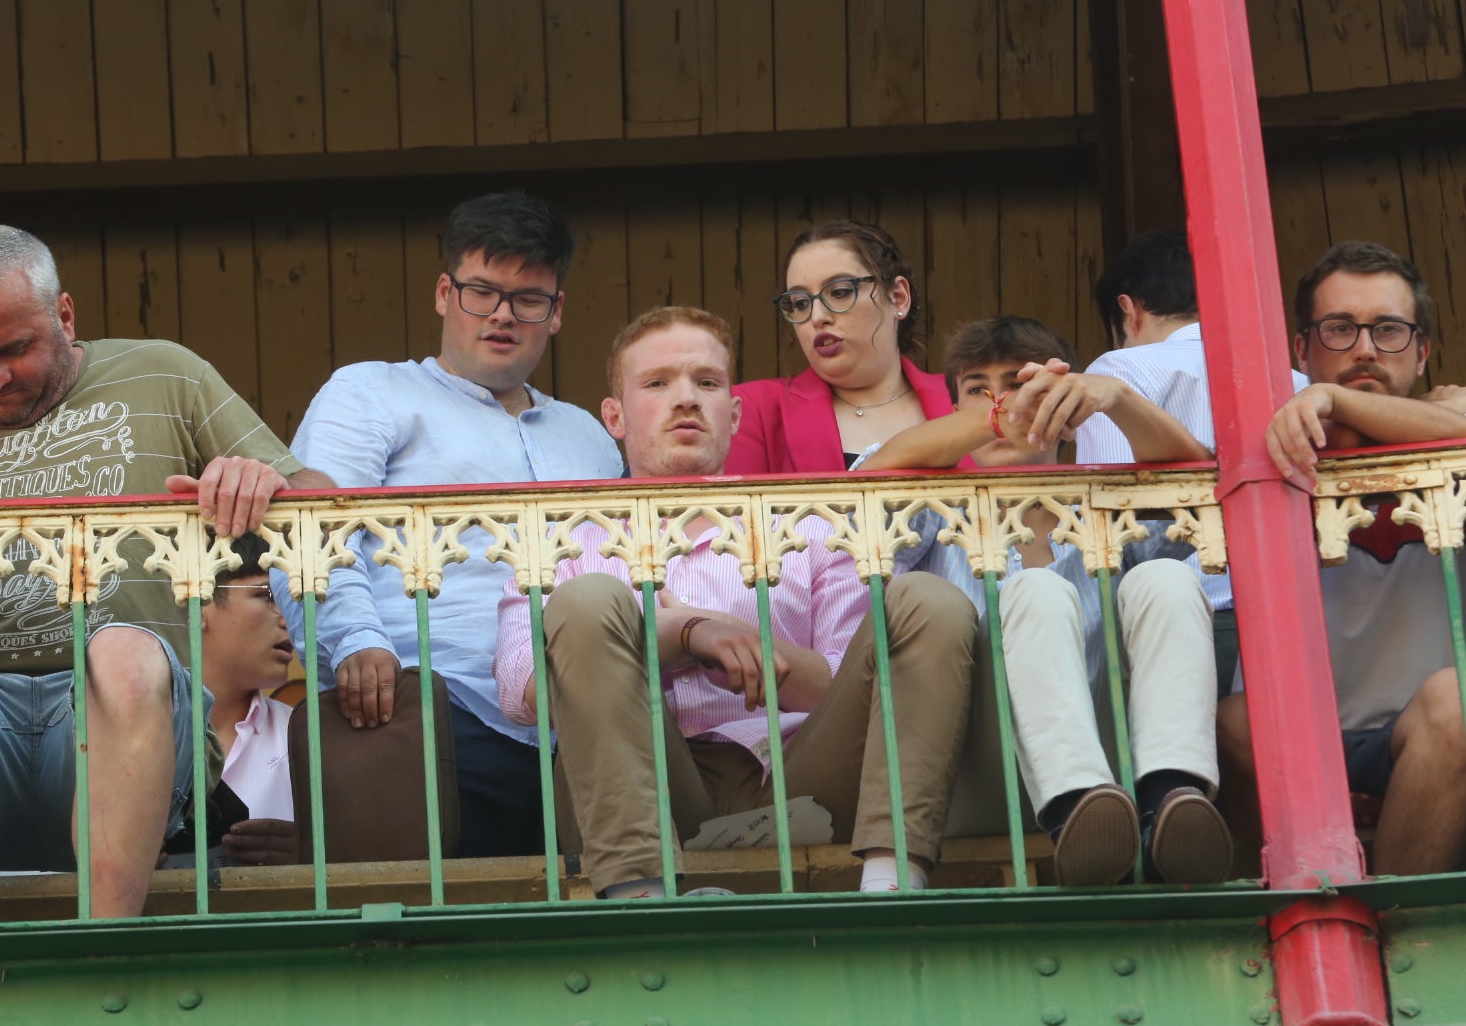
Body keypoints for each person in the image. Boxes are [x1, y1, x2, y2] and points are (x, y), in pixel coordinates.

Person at [0, 224, 330, 924]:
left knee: (121, 651)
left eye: (15, 348)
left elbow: (323, 503)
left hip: (135, 725)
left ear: (65, 316)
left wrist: (263, 480)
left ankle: (106, 947)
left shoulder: (168, 374)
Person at [495, 306, 980, 896]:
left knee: (928, 599)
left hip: (804, 779)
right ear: (614, 418)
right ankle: (640, 897)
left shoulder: (809, 526)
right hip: (651, 787)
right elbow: (522, 690)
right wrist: (679, 635)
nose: (685, 399)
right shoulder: (559, 537)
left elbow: (849, 683)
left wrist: (755, 655)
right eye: (657, 383)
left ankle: (891, 883)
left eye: (706, 382)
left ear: (735, 411)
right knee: (590, 598)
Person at [286, 192, 623, 858]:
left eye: (528, 298)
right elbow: (310, 531)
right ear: (445, 293)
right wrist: (354, 641)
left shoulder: (589, 437)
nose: (502, 315)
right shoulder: (370, 394)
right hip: (428, 713)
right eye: (481, 291)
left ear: (556, 314)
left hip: (583, 733)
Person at [861, 316, 1231, 885]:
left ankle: (1169, 802)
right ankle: (1073, 811)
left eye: (1021, 384)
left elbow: (1197, 484)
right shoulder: (935, 510)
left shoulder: (1105, 507)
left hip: (1117, 767)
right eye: (978, 391)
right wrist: (991, 420)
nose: (1007, 405)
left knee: (1166, 580)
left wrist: (1118, 396)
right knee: (1033, 589)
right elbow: (874, 471)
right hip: (980, 759)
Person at [1221, 241, 1466, 876]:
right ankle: (1297, 921)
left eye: (1388, 330)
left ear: (1422, 351)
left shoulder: (1453, 431)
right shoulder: (1258, 441)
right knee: (1234, 718)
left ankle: (1394, 936)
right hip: (1296, 743)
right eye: (1340, 328)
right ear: (1301, 349)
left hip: (1427, 735)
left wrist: (1335, 400)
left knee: (1457, 704)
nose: (1364, 349)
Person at [1070, 231, 1307, 686]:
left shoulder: (1118, 373)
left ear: (1128, 310)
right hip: (1284, 623)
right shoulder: (1292, 381)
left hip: (1169, 630)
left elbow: (1115, 535)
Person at [727, 220, 955, 477]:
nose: (817, 317)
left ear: (898, 297)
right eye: (800, 303)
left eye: (839, 292)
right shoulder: (752, 409)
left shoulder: (969, 398)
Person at [199, 533, 298, 868]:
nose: (288, 619)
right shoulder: (128, 734)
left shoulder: (304, 735)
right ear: (197, 601)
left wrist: (312, 855)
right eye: (266, 595)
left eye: (292, 602)